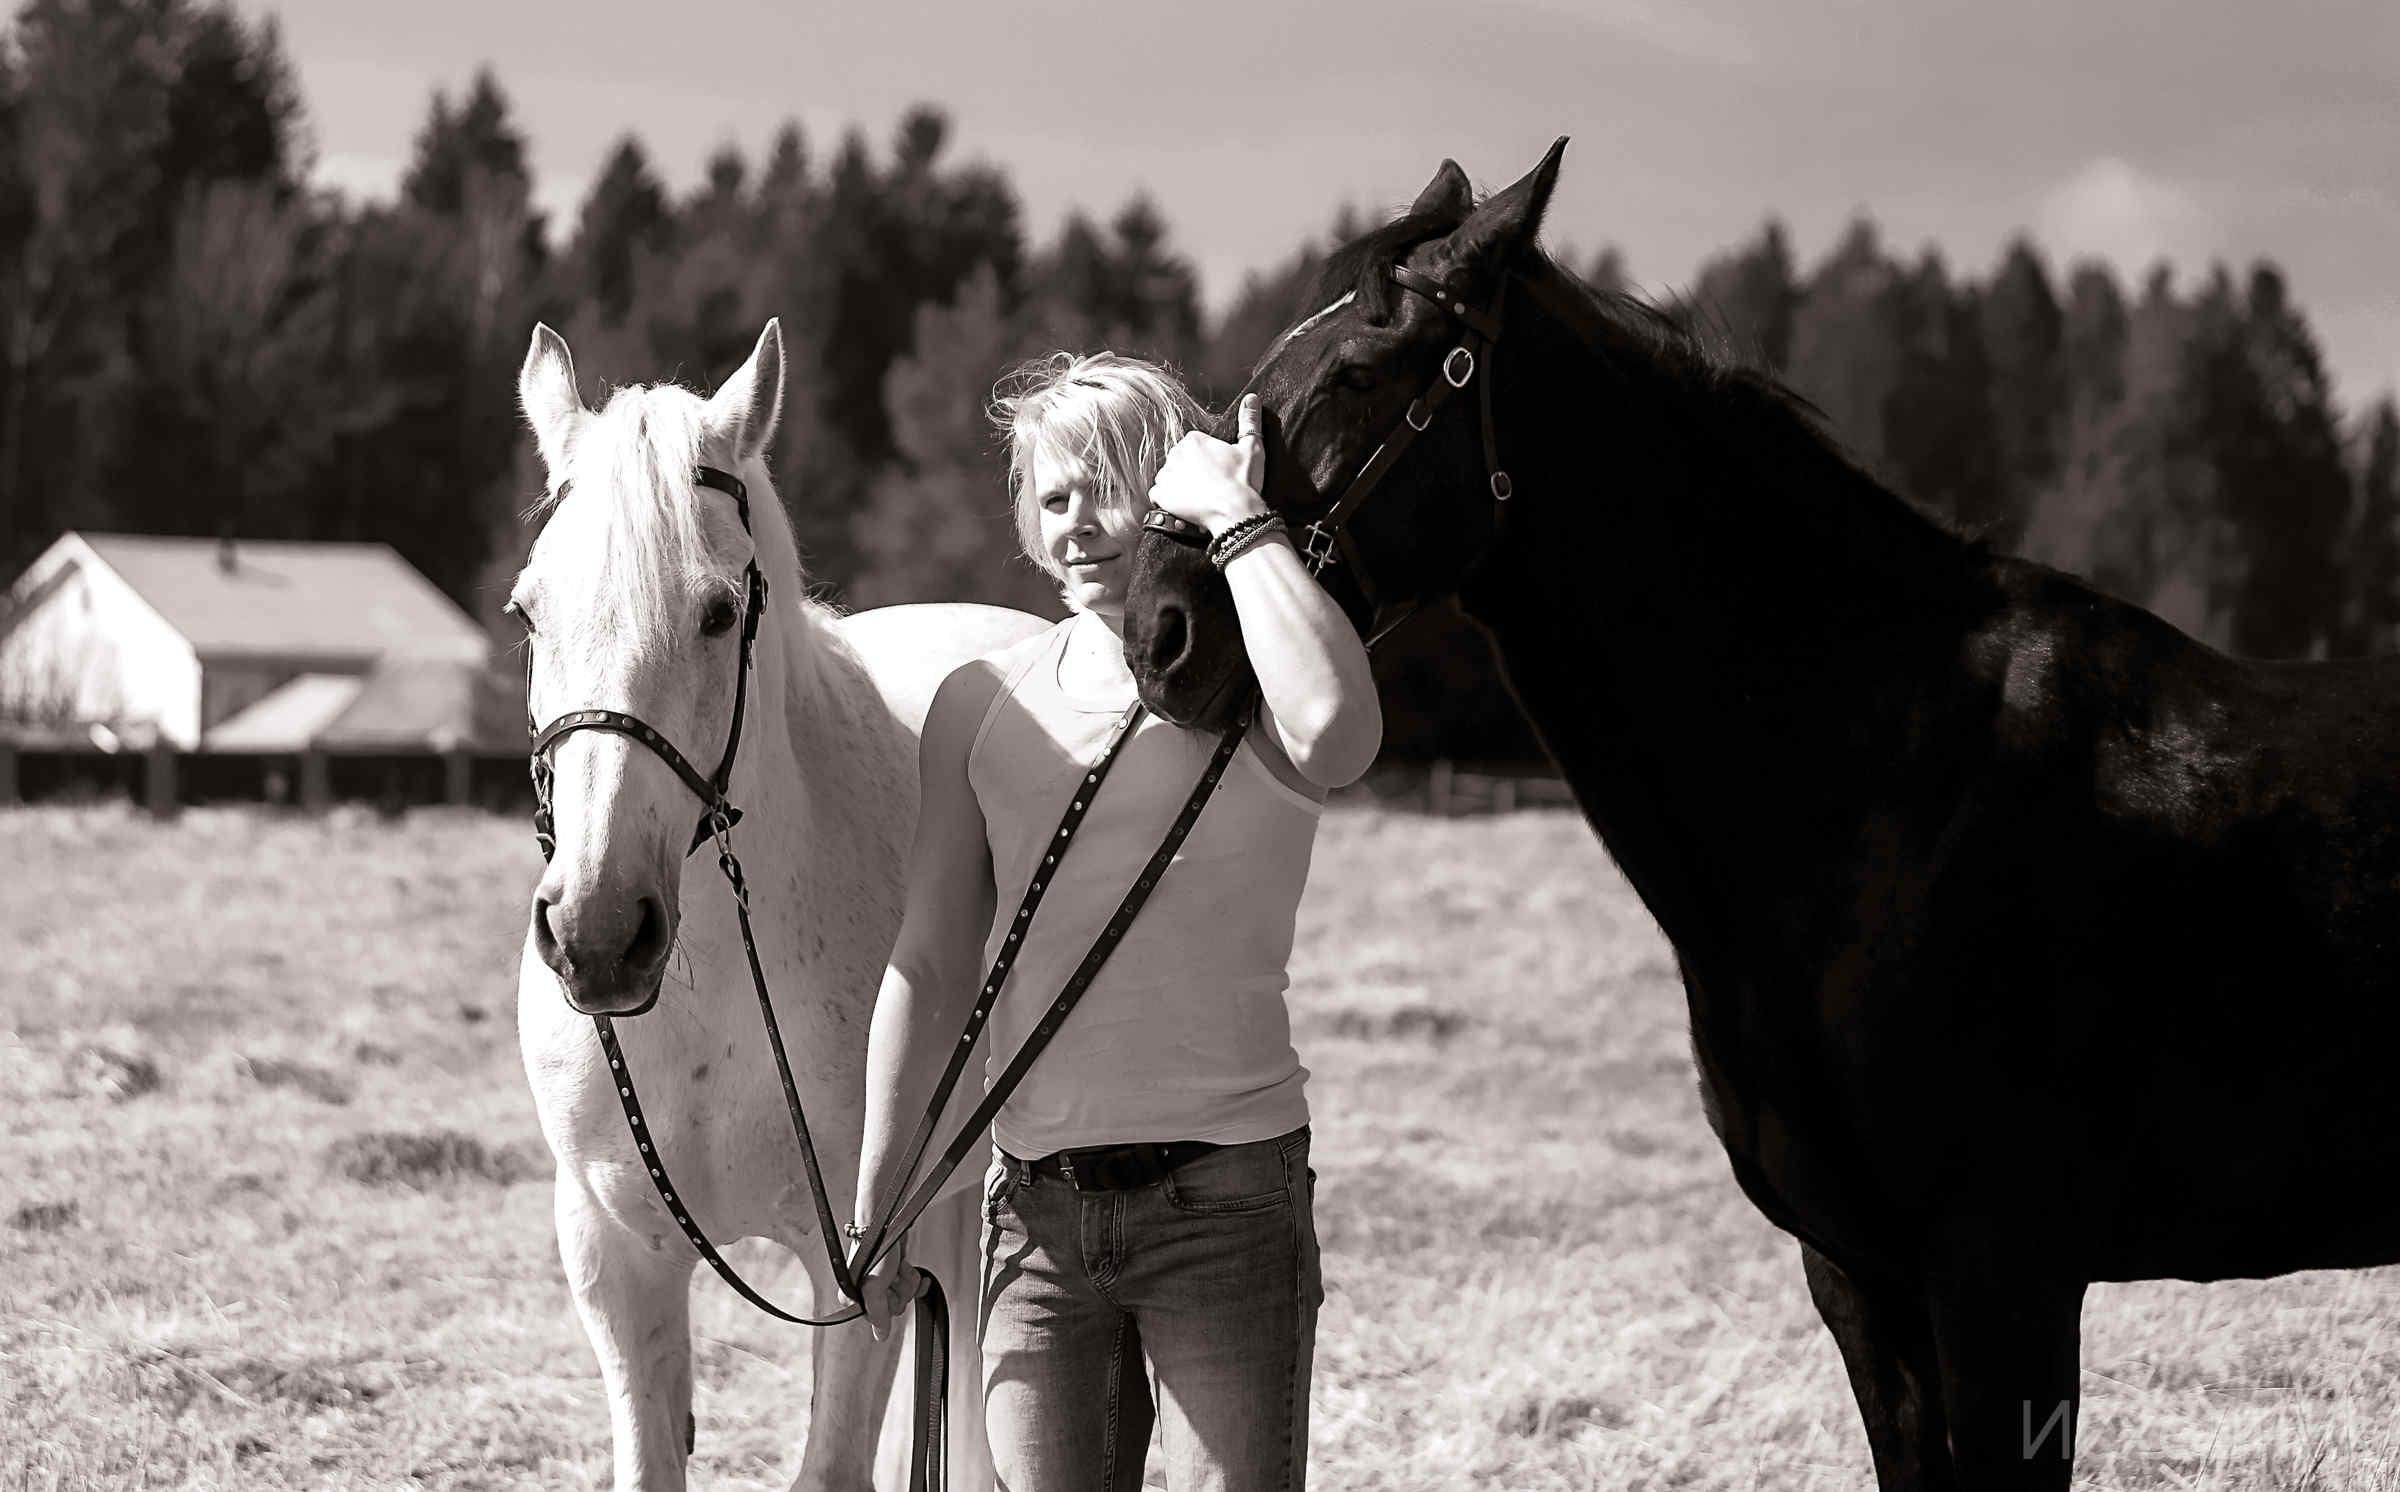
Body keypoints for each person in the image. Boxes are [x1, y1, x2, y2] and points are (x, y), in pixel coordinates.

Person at [851, 350, 1382, 1490]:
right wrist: (879, 1196)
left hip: (1227, 1211)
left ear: (1170, 488)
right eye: (1053, 496)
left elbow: (1341, 729)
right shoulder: (980, 705)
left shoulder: (1251, 686)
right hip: (1035, 1223)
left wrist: (1241, 516)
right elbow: (933, 960)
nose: (1080, 521)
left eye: (1109, 485)